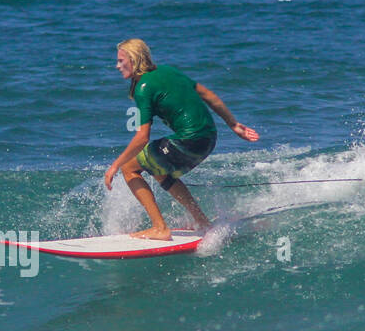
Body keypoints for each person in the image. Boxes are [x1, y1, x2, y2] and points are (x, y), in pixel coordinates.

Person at [104, 39, 259, 240]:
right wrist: (234, 125)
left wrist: (115, 165)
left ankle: (159, 228)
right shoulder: (169, 71)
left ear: (133, 59)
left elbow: (143, 137)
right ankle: (201, 221)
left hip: (188, 140)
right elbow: (208, 95)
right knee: (157, 167)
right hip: (208, 139)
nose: (117, 66)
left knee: (129, 169)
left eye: (120, 61)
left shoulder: (143, 87)